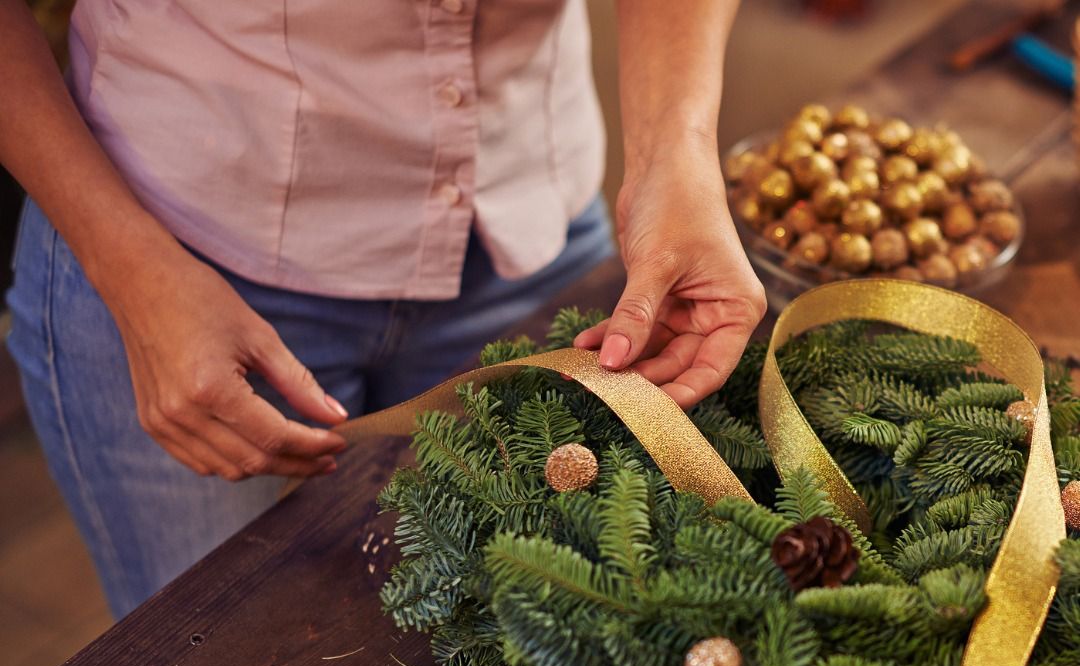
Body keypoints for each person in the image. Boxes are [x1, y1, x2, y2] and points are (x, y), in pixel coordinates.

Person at [1, 0, 765, 618]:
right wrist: (133, 272)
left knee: (539, 635)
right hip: (178, 261)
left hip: (525, 227)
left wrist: (678, 157)